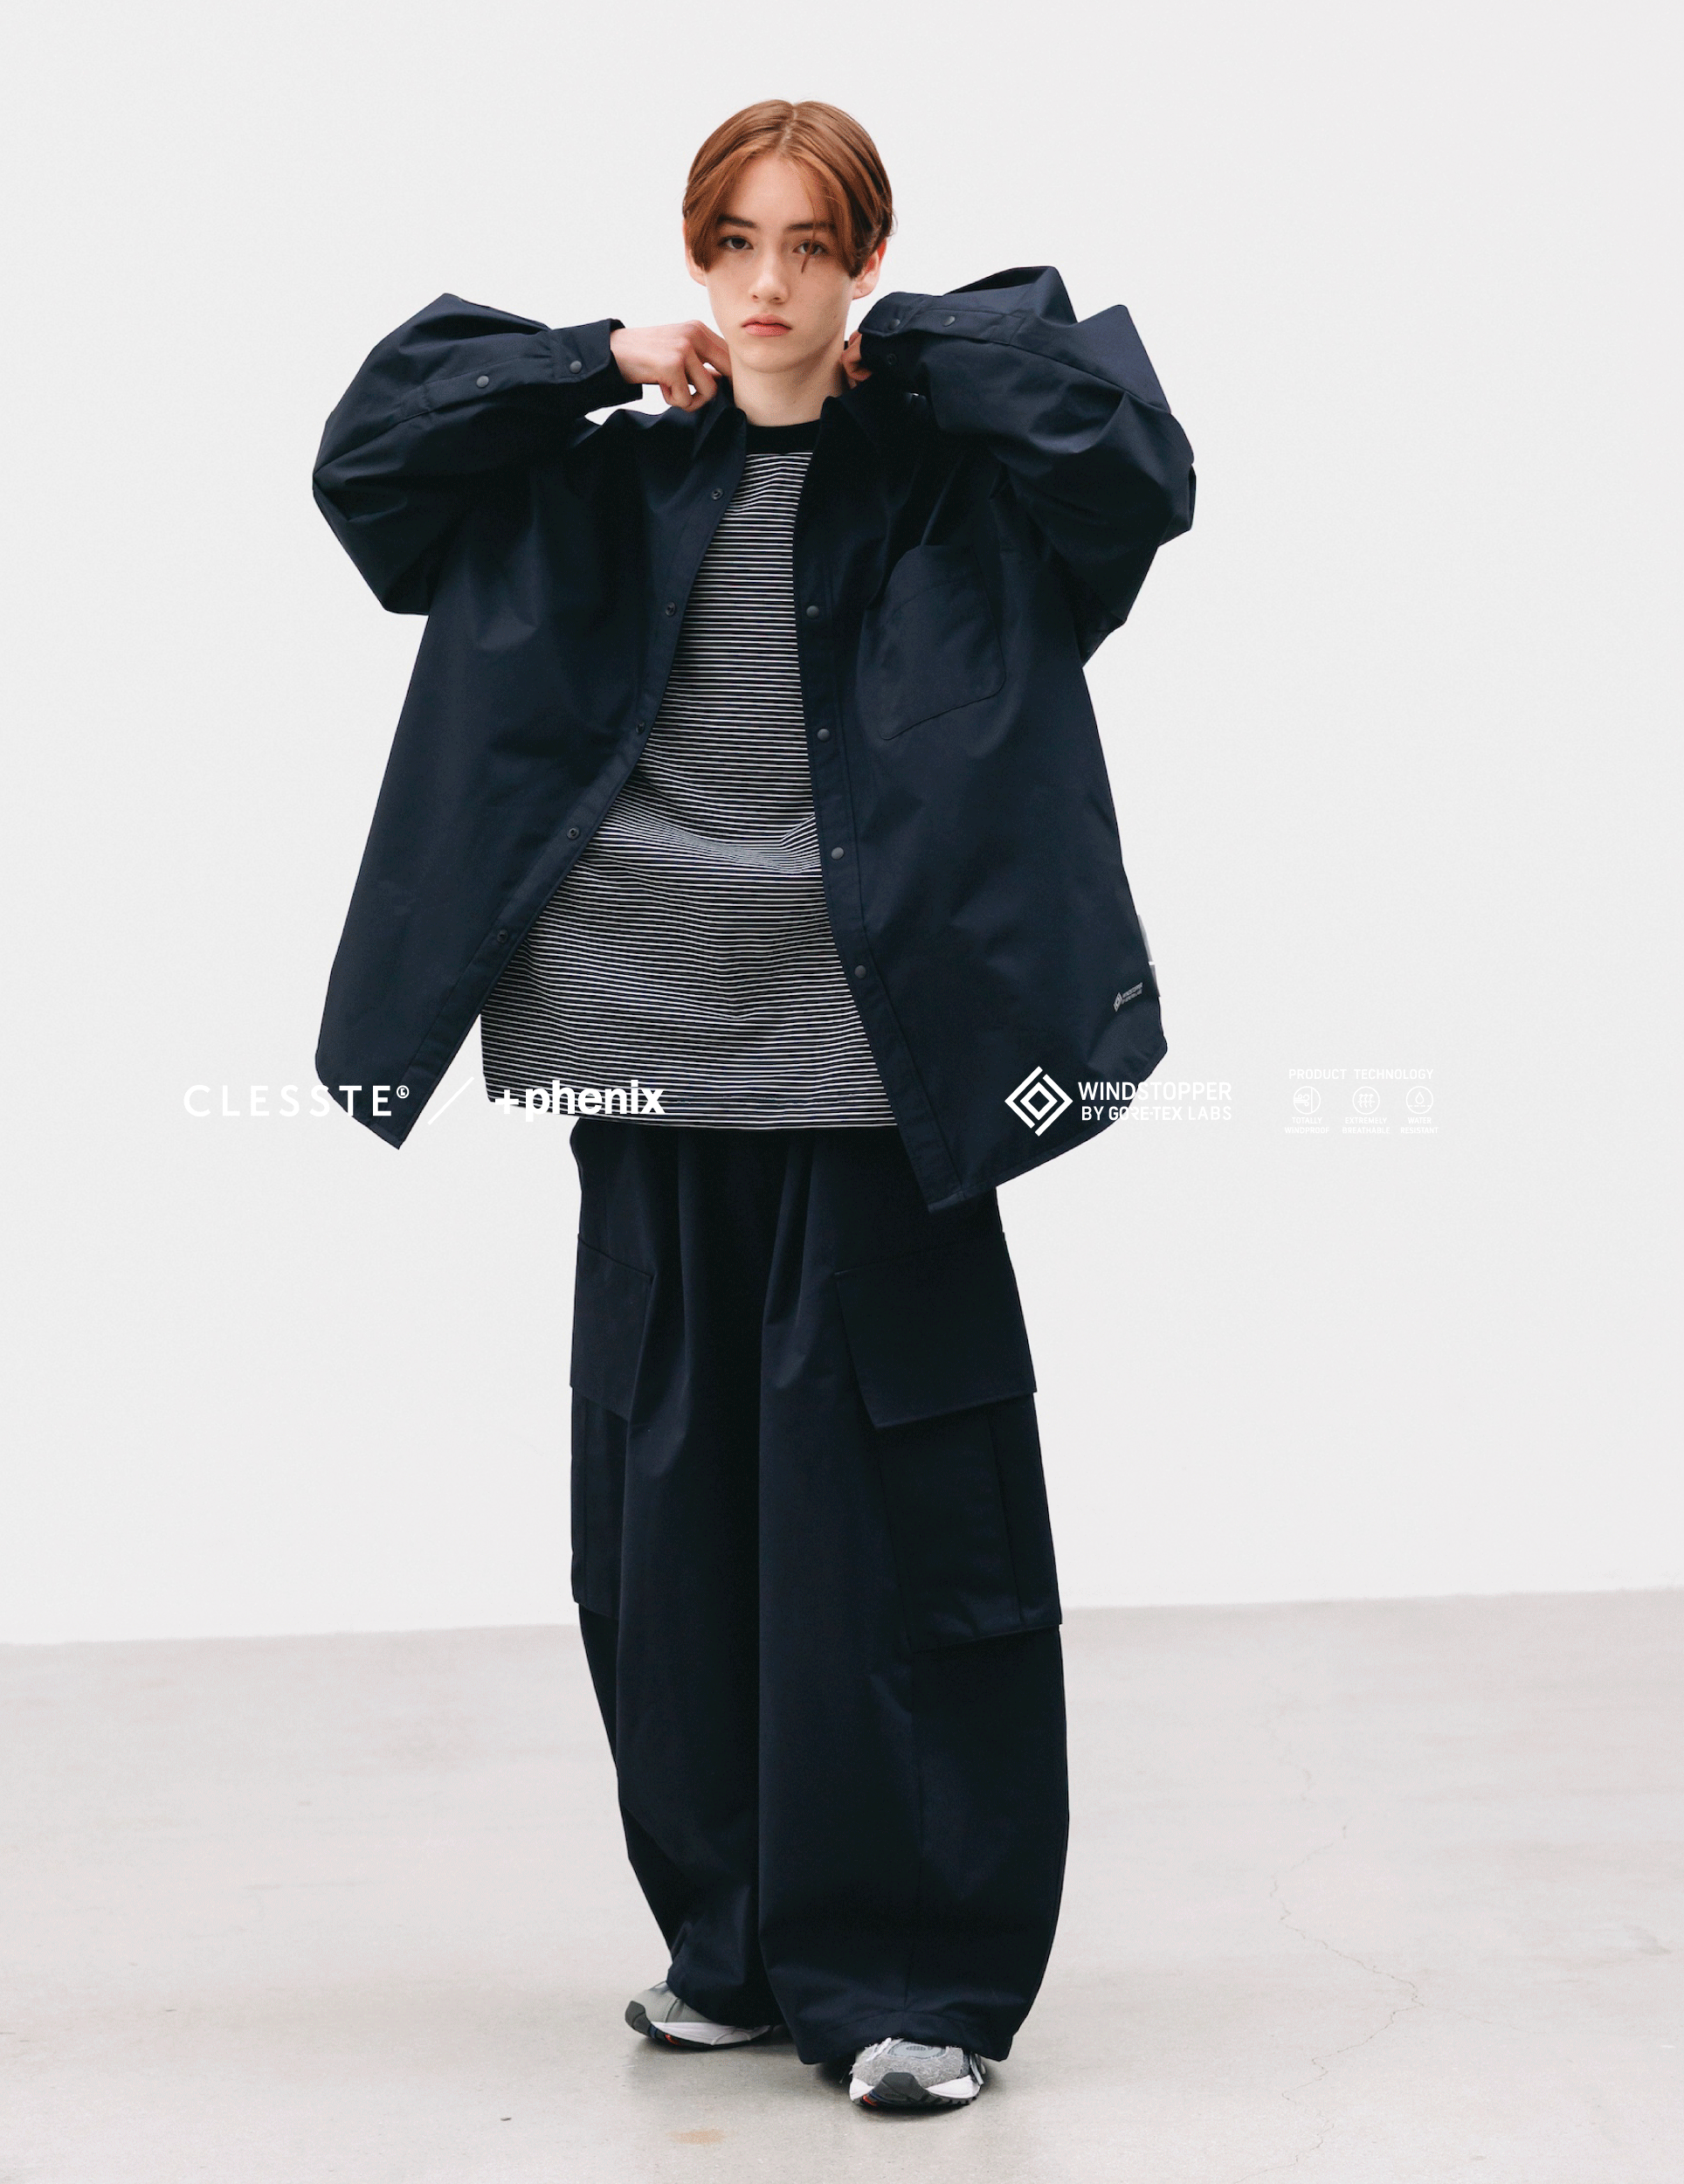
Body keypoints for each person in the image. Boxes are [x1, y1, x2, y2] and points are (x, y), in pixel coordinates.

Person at [311, 98, 1194, 2114]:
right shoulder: (600, 484)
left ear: (864, 255)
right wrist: (591, 359)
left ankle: (914, 1977)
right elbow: (367, 463)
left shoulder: (962, 488)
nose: (769, 283)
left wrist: (920, 349)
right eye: (735, 243)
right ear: (693, 253)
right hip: (640, 1067)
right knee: (667, 1539)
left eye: (810, 244)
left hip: (885, 1086)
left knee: (906, 1540)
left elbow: (1134, 464)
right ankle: (731, 1941)